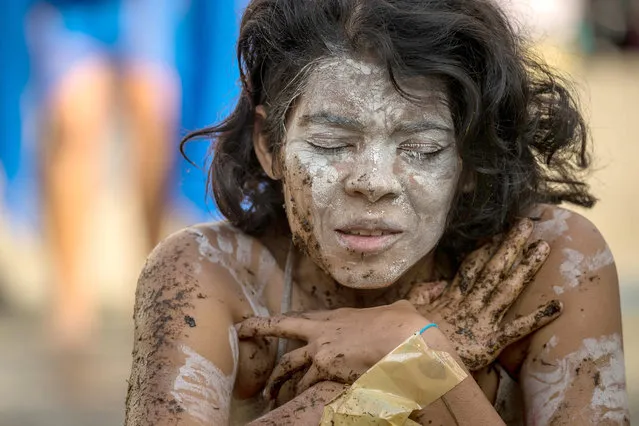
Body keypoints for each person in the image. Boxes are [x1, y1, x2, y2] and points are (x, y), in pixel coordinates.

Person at [124, 0, 630, 424]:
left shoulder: (545, 264)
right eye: (330, 143)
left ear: (473, 157)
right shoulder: (207, 278)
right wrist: (379, 389)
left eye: (422, 149)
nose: (372, 183)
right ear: (269, 145)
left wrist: (409, 350)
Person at [27, 0, 182, 348]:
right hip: (67, 9)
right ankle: (70, 303)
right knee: (73, 121)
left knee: (152, 116)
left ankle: (156, 281)